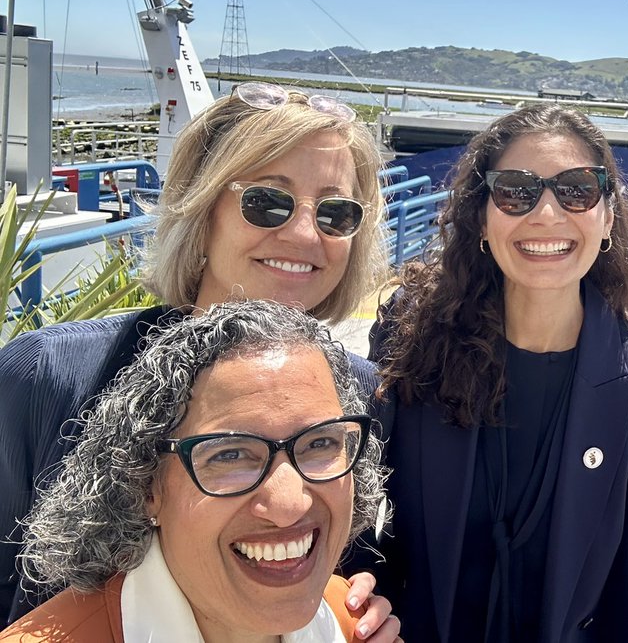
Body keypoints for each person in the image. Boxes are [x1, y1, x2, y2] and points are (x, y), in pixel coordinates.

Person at [0, 82, 390, 629]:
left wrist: (358, 606)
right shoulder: (48, 377)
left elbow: (354, 560)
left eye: (336, 214)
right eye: (267, 202)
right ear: (202, 210)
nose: (305, 234)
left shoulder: (358, 395)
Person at [367, 103, 628, 643]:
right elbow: (349, 501)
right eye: (516, 191)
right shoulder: (414, 329)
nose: (546, 214)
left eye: (577, 190)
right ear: (481, 218)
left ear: (607, 218)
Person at [1, 299, 397, 642]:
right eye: (229, 455)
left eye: (320, 443)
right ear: (145, 485)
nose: (289, 504)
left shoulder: (354, 622)